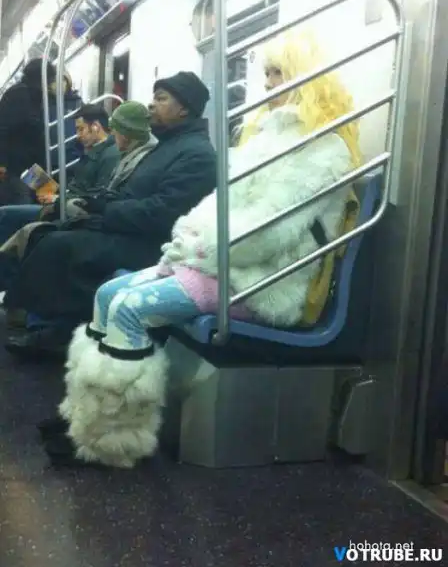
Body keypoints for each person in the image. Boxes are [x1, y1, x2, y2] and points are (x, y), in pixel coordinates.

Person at [39, 31, 363, 469]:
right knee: (108, 294)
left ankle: (113, 441)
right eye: (267, 73)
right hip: (219, 263)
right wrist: (189, 241)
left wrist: (195, 250)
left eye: (278, 73)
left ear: (309, 78)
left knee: (130, 308)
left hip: (262, 280)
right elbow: (216, 209)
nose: (268, 83)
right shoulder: (264, 141)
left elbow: (268, 235)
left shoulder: (322, 151)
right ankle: (86, 418)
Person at [4, 72, 216, 354]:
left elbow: (165, 213)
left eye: (161, 99)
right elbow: (132, 193)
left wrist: (108, 211)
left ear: (184, 109)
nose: (151, 105)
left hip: (153, 243)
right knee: (52, 233)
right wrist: (97, 204)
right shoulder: (168, 147)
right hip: (131, 229)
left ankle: (54, 330)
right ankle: (46, 322)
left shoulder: (197, 154)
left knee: (60, 244)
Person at [0, 104, 121, 294]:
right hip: (61, 203)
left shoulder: (109, 155)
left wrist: (57, 198)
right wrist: (54, 193)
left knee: (10, 218)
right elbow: (78, 187)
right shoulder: (91, 152)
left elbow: (96, 196)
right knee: (5, 214)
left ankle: (9, 282)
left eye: (81, 129)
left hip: (72, 212)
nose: (78, 135)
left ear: (96, 126)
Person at [0, 58, 56, 206]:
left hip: (33, 164)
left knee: (47, 198)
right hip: (16, 165)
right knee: (24, 201)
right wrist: (2, 161)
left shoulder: (39, 96)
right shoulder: (17, 95)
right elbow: (3, 129)